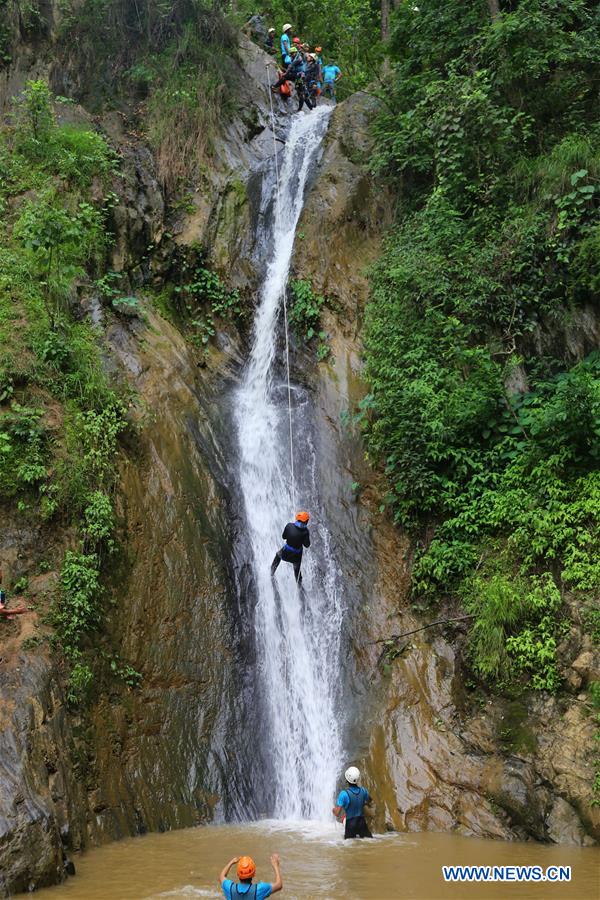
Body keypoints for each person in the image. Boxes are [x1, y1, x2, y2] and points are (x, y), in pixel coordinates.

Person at [332, 766, 374, 839]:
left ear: (347, 779)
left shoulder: (344, 794)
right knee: (368, 842)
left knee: (350, 847)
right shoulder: (364, 791)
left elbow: (337, 813)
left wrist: (333, 810)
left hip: (350, 824)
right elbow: (370, 801)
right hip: (361, 823)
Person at [270, 511, 310, 582]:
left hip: (286, 552)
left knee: (278, 556)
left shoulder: (289, 526)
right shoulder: (305, 532)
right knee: (297, 570)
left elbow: (283, 537)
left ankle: (271, 572)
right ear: (306, 522)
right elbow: (307, 545)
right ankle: (299, 585)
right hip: (296, 556)